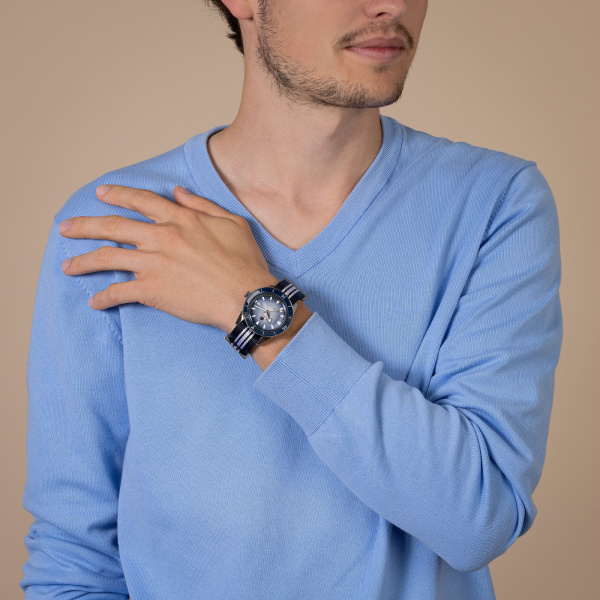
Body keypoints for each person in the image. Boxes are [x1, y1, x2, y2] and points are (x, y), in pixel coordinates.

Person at [20, 0, 563, 598]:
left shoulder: (495, 204)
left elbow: (480, 517)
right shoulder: (118, 228)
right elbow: (75, 558)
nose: (392, 4)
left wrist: (253, 306)